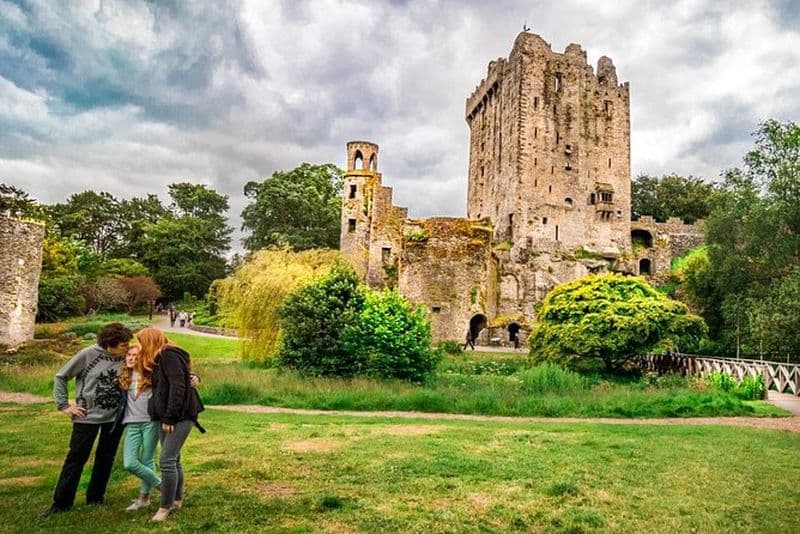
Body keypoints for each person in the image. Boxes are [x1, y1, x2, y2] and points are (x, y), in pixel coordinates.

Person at [41, 323, 133, 517]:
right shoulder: (88, 355)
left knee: (105, 458)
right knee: (76, 458)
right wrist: (65, 406)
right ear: (110, 344)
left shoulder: (126, 356)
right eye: (123, 345)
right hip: (87, 417)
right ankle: (61, 503)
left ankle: (96, 497)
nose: (127, 348)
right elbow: (61, 377)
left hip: (114, 418)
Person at [137, 327, 204, 522]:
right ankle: (176, 500)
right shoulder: (157, 358)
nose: (140, 347)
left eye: (142, 342)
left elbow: (178, 386)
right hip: (164, 414)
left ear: (150, 341)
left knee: (166, 460)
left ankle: (164, 507)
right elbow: (181, 378)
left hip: (178, 415)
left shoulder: (168, 355)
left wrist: (170, 417)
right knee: (174, 460)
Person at [118, 345, 160, 511]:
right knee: (130, 463)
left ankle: (144, 498)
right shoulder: (124, 375)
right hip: (132, 422)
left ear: (142, 358)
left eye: (135, 355)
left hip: (151, 422)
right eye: (128, 355)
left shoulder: (152, 374)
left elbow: (175, 376)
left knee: (147, 459)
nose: (130, 358)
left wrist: (195, 377)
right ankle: (163, 487)